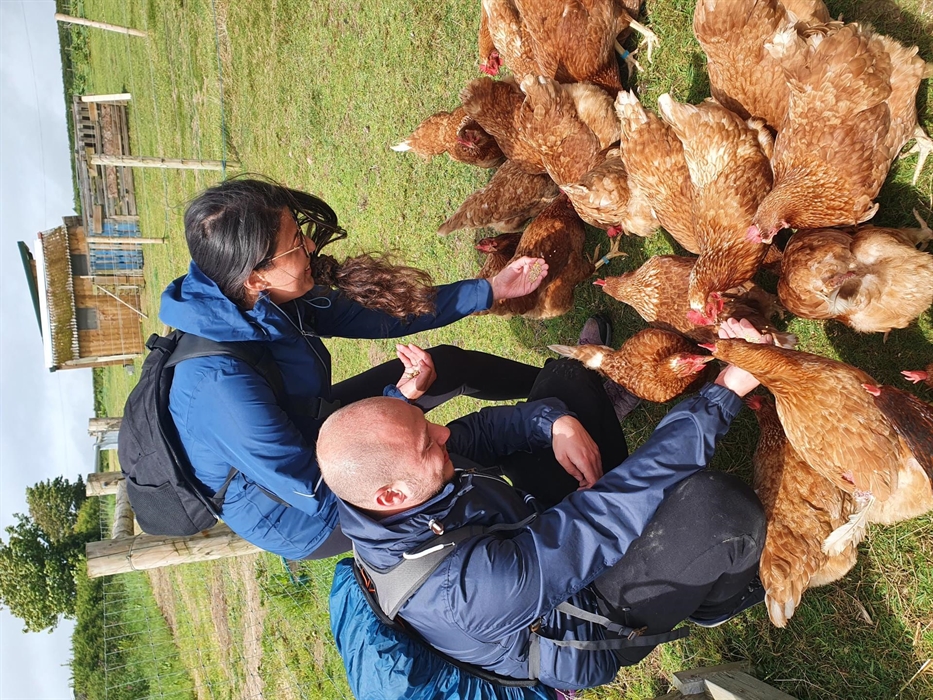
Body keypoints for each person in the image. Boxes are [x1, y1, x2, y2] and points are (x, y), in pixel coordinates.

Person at [316, 317, 770, 692]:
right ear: (391, 496)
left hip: (531, 540)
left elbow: (485, 431)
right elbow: (608, 515)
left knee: (564, 379)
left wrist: (554, 423)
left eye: (427, 422)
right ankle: (715, 603)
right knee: (719, 510)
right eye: (428, 444)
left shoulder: (397, 488)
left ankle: (653, 512)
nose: (444, 435)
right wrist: (724, 392)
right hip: (585, 619)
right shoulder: (474, 589)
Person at [160, 176, 549, 560]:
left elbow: (379, 314)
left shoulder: (251, 296)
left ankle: (563, 382)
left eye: (300, 232)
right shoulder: (219, 387)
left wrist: (488, 290)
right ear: (255, 276)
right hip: (302, 512)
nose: (310, 245)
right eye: (296, 243)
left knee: (446, 366)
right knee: (447, 473)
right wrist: (398, 403)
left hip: (314, 423)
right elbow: (313, 488)